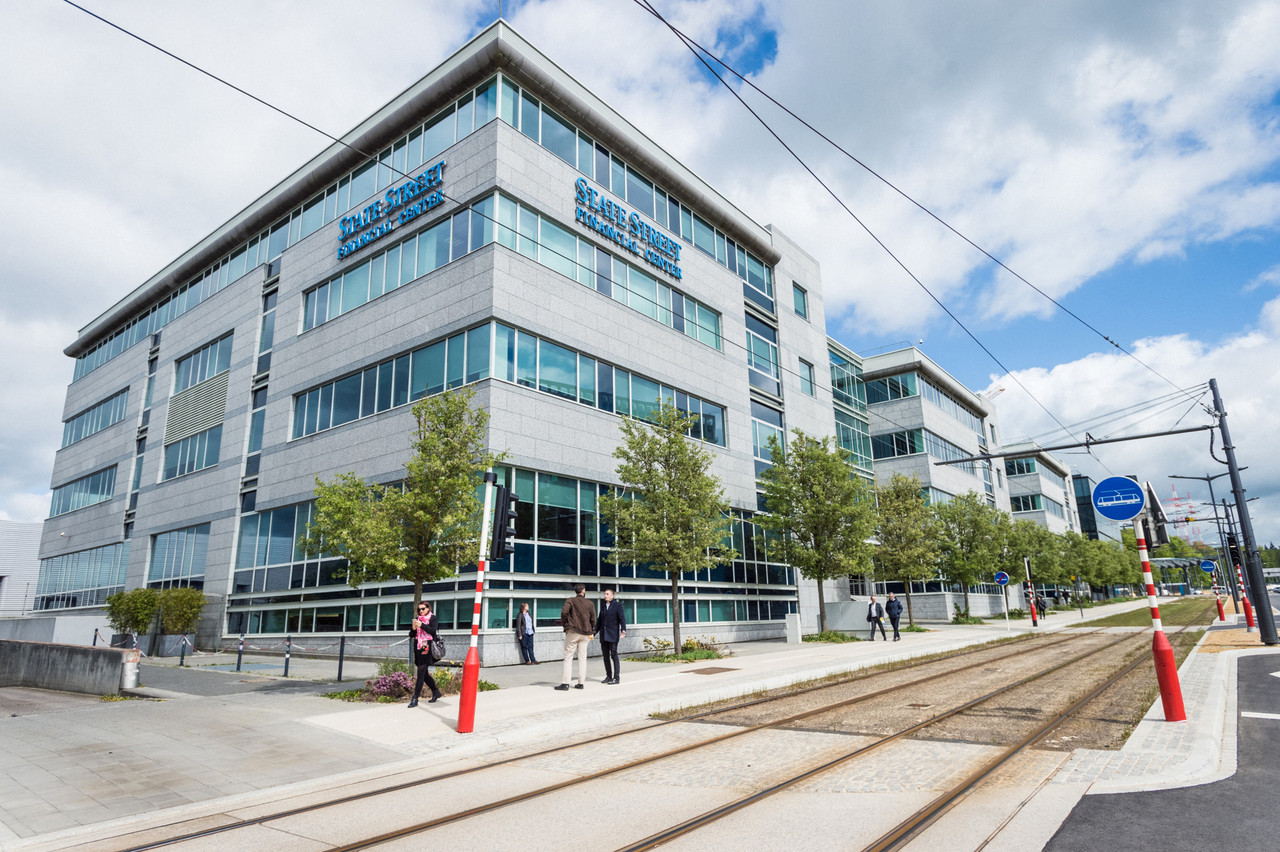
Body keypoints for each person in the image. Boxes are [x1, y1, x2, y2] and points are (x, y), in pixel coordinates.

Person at [556, 584, 595, 690]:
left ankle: (565, 683)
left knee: (568, 657)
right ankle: (581, 683)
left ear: (575, 591)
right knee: (582, 658)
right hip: (586, 633)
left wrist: (566, 625)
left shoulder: (570, 601)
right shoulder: (589, 603)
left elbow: (564, 612)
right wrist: (591, 629)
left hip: (573, 631)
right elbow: (593, 619)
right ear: (583, 591)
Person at [407, 601, 442, 707]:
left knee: (421, 672)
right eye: (419, 609)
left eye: (423, 609)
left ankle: (415, 698)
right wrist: (413, 629)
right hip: (418, 647)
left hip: (427, 646)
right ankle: (436, 692)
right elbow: (411, 635)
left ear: (428, 608)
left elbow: (432, 631)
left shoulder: (433, 618)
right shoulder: (417, 619)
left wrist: (421, 625)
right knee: (424, 673)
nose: (421, 611)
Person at [595, 588, 626, 684]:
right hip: (604, 635)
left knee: (614, 655)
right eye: (605, 594)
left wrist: (623, 630)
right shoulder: (603, 606)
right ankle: (608, 676)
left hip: (613, 635)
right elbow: (599, 621)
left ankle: (616, 678)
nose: (605, 596)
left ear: (612, 596)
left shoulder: (618, 606)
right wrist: (593, 632)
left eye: (607, 594)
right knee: (605, 656)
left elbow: (622, 619)